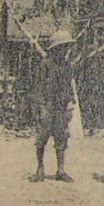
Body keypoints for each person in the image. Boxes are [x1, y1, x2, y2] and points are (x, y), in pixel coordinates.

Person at [33, 27, 78, 183]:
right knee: (42, 138)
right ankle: (40, 167)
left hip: (61, 104)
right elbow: (39, 86)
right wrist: (41, 107)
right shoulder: (46, 64)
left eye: (67, 47)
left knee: (61, 137)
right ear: (56, 48)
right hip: (47, 104)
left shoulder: (66, 66)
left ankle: (61, 169)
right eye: (63, 47)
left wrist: (70, 104)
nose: (65, 50)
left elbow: (68, 86)